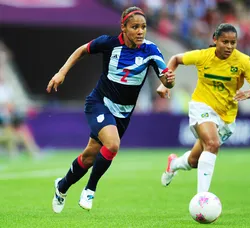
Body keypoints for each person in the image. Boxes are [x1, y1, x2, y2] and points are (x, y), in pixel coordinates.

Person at [47, 6, 175, 213]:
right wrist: (62, 73)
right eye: (135, 27)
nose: (140, 31)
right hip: (100, 103)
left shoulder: (151, 49)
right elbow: (82, 50)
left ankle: (61, 186)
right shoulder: (108, 43)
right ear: (123, 28)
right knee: (113, 145)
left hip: (123, 113)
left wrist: (168, 83)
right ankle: (90, 190)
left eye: (143, 27)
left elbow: (165, 76)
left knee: (89, 156)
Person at [157, 23, 250, 194]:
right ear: (215, 40)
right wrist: (165, 83)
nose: (229, 47)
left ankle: (174, 164)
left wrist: (247, 94)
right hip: (202, 105)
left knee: (193, 161)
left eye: (233, 43)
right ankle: (202, 198)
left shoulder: (243, 61)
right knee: (212, 144)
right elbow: (175, 59)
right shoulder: (203, 56)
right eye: (225, 42)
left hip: (226, 116)